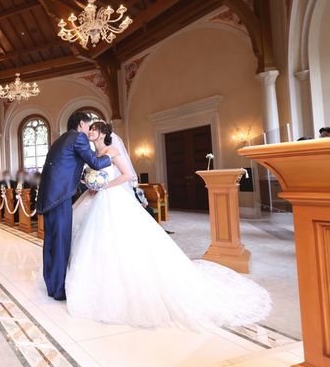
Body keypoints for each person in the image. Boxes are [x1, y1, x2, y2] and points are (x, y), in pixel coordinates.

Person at [65, 121, 271, 330]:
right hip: (97, 197)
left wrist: (105, 185)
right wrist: (92, 184)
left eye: (94, 129)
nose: (91, 131)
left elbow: (128, 175)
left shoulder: (113, 151)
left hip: (112, 197)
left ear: (103, 133)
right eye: (90, 129)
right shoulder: (93, 155)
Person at [36, 111, 112, 301]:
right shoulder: (78, 137)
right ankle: (59, 290)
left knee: (51, 242)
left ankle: (51, 284)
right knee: (61, 242)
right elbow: (95, 163)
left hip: (50, 196)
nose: (88, 130)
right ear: (81, 124)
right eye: (88, 125)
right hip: (60, 197)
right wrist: (110, 155)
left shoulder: (61, 139)